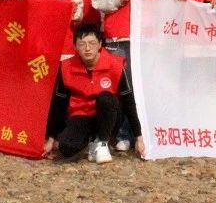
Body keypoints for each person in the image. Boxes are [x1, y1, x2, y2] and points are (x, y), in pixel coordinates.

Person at [91, 0, 167, 151]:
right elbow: (96, 0)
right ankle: (119, 134)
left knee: (140, 85)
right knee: (119, 86)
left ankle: (136, 134)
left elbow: (163, 0)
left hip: (145, 36)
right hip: (117, 35)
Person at [44, 24, 143, 162]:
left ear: (100, 44)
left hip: (108, 114)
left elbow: (129, 102)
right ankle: (91, 143)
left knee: (106, 98)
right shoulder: (66, 67)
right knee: (66, 147)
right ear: (75, 46)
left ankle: (102, 143)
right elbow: (58, 104)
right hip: (81, 115)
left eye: (92, 43)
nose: (87, 48)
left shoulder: (115, 65)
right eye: (82, 44)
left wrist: (139, 137)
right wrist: (51, 138)